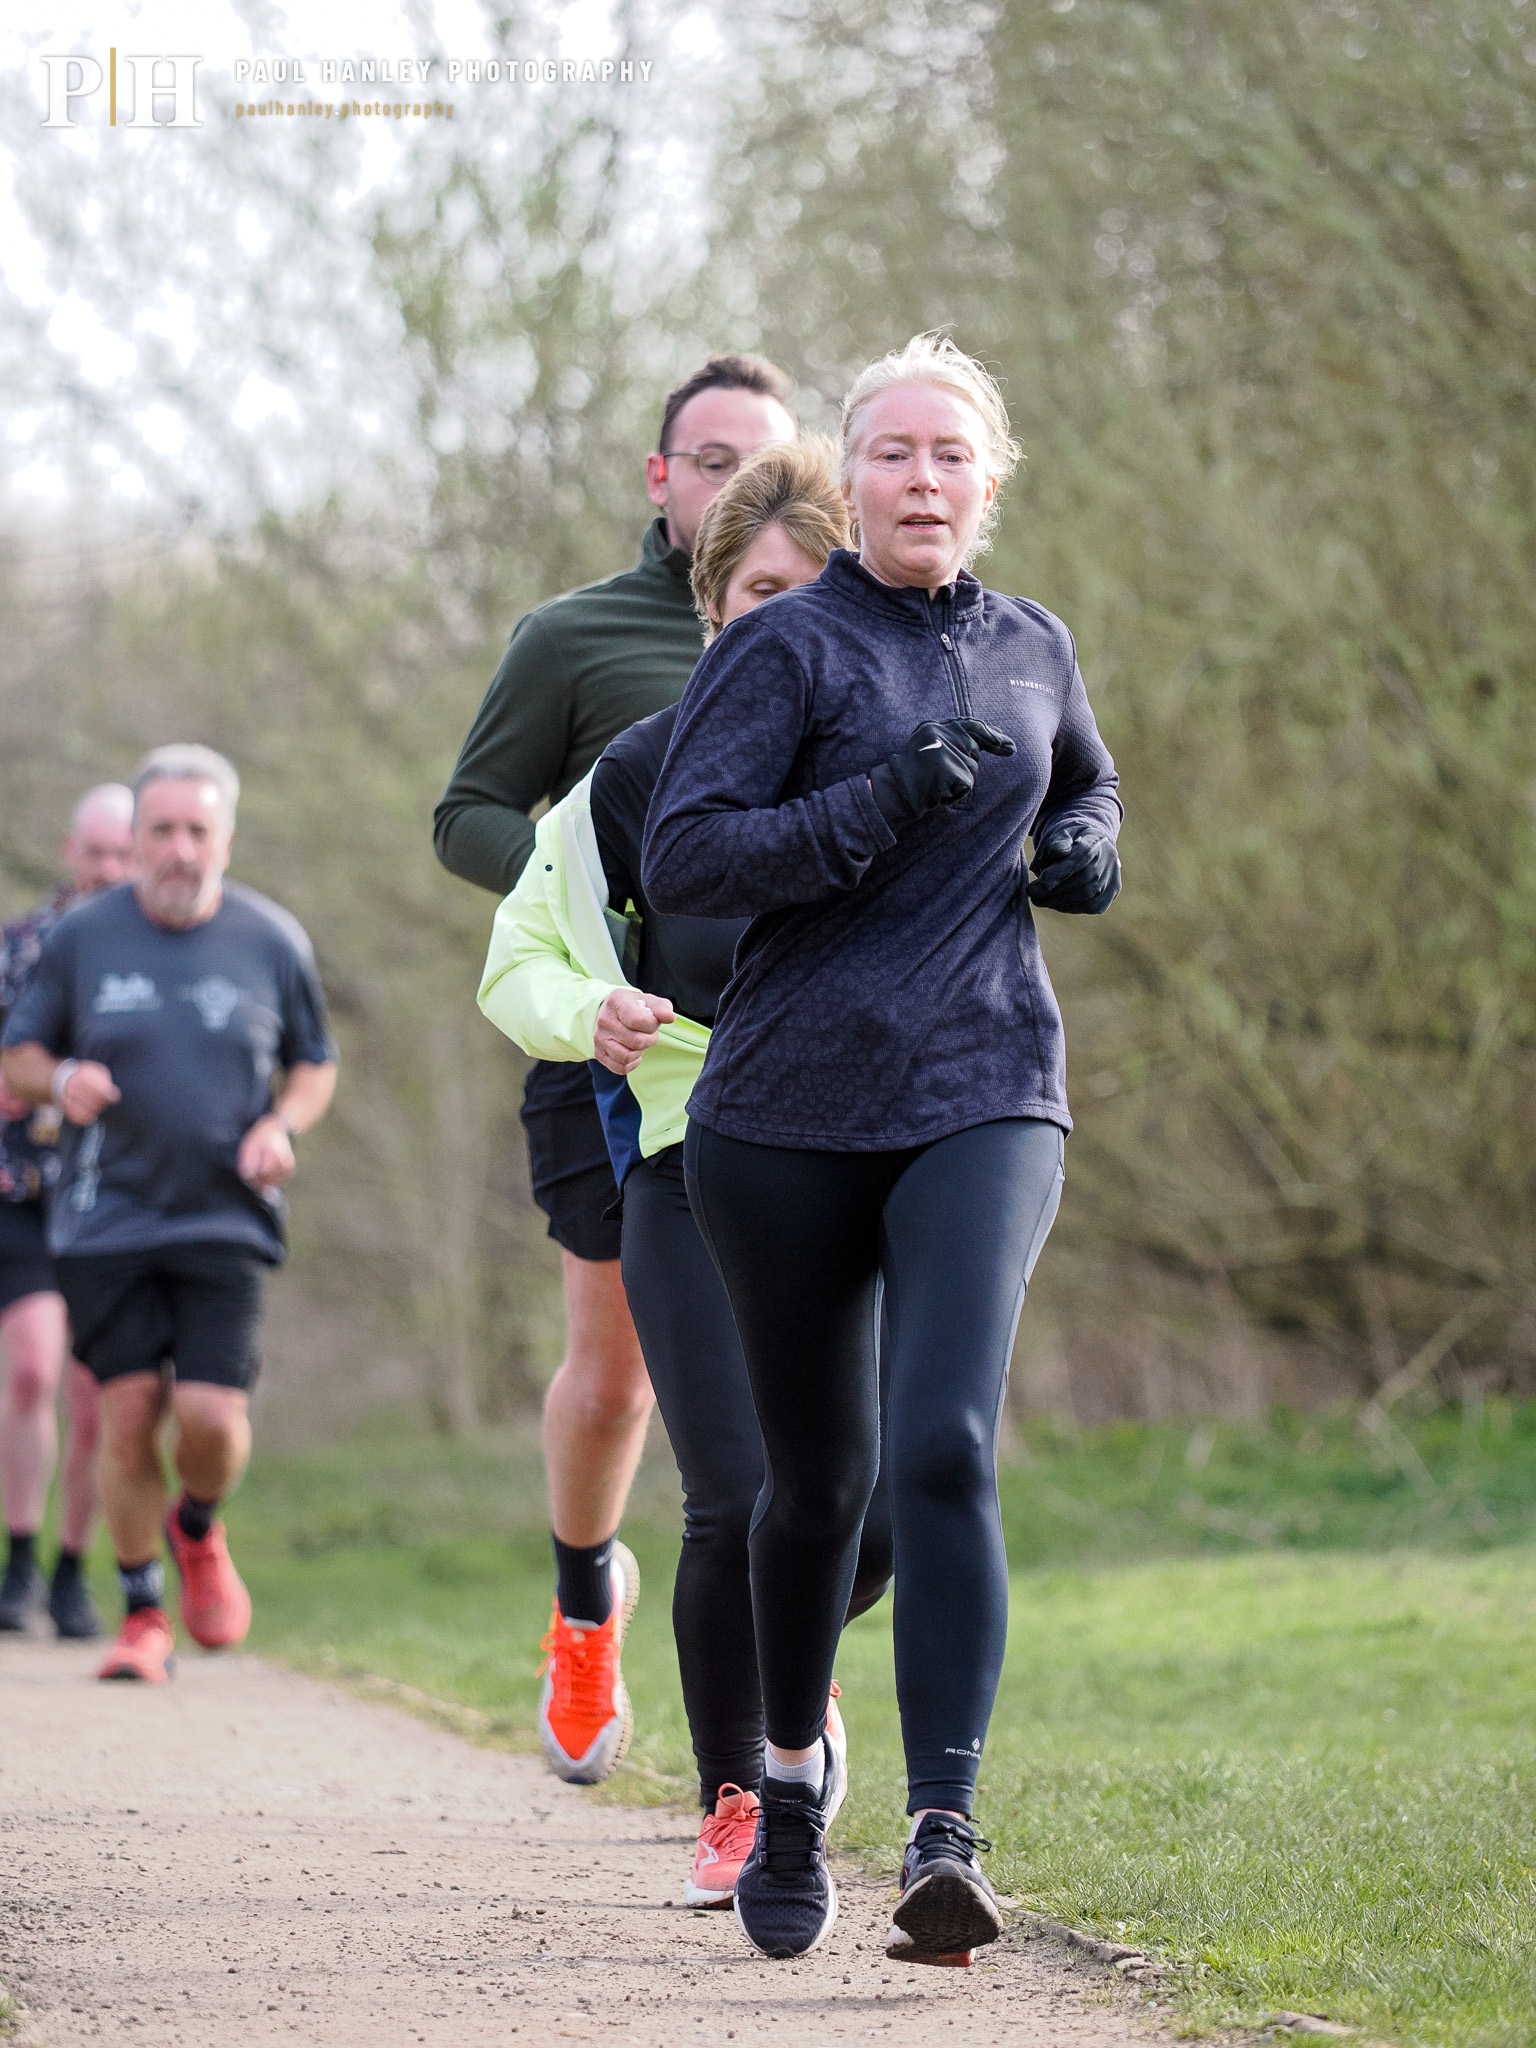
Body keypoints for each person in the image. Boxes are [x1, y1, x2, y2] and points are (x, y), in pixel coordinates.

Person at [642, 334, 1123, 1964]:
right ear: (854, 480)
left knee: (944, 1448)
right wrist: (880, 804)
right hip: (779, 1117)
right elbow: (687, 855)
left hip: (985, 1085)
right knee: (813, 1482)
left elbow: (1088, 773)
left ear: (990, 478)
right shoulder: (786, 650)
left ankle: (944, 1833)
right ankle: (782, 1789)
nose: (923, 479)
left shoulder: (1032, 643)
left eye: (949, 454)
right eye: (893, 454)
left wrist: (1085, 841)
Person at [479, 440, 894, 1906]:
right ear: (713, 604)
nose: (777, 619)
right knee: (730, 1494)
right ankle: (737, 1796)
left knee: (884, 1499)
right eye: (752, 593)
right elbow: (516, 959)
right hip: (686, 1158)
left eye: (807, 591)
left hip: (868, 1157)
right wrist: (585, 1011)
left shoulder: (892, 759)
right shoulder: (634, 775)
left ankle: (798, 1664)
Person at [435, 353, 799, 1779]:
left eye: (757, 460)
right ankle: (585, 1601)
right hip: (607, 1043)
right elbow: (468, 810)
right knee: (618, 1379)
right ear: (661, 481)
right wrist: (578, 900)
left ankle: (785, 1677)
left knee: (786, 1385)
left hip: (787, 1057)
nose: (730, 483)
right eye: (705, 460)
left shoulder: (830, 623)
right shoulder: (579, 639)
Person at [1, 745, 338, 1684]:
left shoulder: (273, 939)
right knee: (125, 1409)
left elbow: (316, 1060)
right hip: (105, 1216)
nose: (180, 849)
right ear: (136, 839)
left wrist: (283, 1122)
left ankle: (196, 1525)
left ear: (225, 838)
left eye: (198, 830)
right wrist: (61, 1078)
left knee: (210, 1422)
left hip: (226, 1217)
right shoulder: (82, 939)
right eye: (163, 831)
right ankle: (143, 1609)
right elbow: (16, 1055)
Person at [0, 784, 136, 1637]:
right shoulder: (19, 948)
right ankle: (18, 1557)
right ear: (69, 852)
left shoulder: (157, 954)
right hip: (20, 1191)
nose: (110, 871)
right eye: (97, 854)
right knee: (32, 1370)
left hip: (111, 1193)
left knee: (96, 1394)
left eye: (124, 854)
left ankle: (72, 1570)